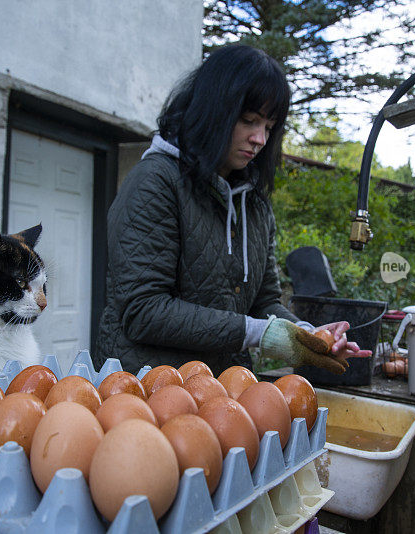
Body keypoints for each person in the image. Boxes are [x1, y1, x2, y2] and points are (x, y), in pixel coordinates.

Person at [94, 44, 370, 376]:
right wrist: (259, 333)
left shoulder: (253, 201)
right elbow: (143, 311)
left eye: (269, 126)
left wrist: (306, 334)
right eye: (249, 121)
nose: (260, 139)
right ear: (213, 113)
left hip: (222, 388)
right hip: (145, 388)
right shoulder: (155, 182)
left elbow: (264, 302)